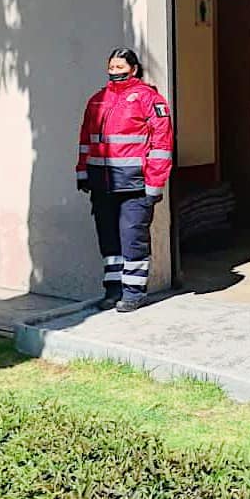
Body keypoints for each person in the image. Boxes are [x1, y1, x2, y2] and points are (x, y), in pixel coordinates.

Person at [75, 48, 174, 312]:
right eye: (112, 67)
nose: (116, 72)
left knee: (132, 237)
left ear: (134, 69)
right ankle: (113, 291)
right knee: (108, 239)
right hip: (102, 183)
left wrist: (154, 185)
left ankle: (134, 293)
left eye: (121, 67)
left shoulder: (149, 100)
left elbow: (161, 145)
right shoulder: (97, 100)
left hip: (136, 184)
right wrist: (82, 172)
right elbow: (86, 140)